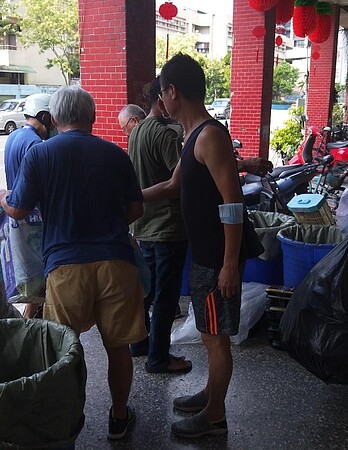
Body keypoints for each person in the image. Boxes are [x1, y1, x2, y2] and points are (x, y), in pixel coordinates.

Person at [0, 85, 147, 440]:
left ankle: (66, 420)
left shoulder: (41, 154)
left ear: (54, 118)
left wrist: (2, 198)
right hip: (116, 263)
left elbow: (17, 208)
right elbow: (136, 209)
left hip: (64, 268)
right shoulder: (115, 153)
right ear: (92, 117)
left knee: (65, 347)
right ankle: (119, 416)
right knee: (118, 346)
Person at [142, 53, 245, 438]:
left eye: (161, 92)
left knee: (216, 340)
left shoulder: (211, 135)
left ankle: (214, 417)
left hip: (218, 258)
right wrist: (129, 198)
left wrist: (230, 264)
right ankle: (210, 394)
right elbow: (172, 186)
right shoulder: (192, 136)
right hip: (203, 255)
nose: (160, 100)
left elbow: (233, 204)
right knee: (207, 334)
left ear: (172, 91)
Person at [127, 76, 191, 374]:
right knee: (165, 297)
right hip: (166, 227)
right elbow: (178, 182)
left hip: (143, 225)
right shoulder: (164, 135)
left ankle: (139, 343)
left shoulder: (136, 132)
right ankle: (159, 358)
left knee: (147, 292)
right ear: (159, 99)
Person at [3, 92, 52, 319]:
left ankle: (29, 321)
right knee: (39, 280)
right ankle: (33, 328)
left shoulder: (14, 137)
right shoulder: (34, 143)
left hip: (18, 218)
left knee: (32, 281)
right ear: (44, 116)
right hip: (31, 218)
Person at [4, 93, 52, 189]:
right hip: (27, 202)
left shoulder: (13, 135)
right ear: (45, 118)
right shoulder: (35, 142)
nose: (53, 126)